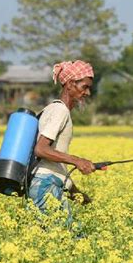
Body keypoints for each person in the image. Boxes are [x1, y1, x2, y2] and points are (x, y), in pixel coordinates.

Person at [28, 60, 96, 226]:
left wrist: (76, 193)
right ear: (70, 84)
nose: (87, 93)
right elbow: (41, 150)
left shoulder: (52, 109)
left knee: (59, 239)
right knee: (67, 238)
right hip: (45, 185)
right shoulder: (60, 111)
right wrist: (77, 161)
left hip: (47, 183)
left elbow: (54, 163)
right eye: (84, 87)